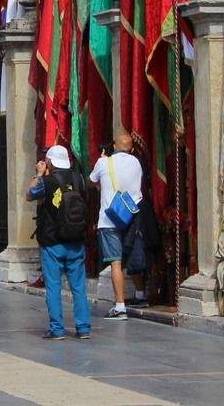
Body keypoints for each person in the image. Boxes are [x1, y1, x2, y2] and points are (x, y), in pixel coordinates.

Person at [27, 144, 92, 340]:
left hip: (52, 242)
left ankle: (57, 329)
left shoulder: (46, 182)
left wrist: (39, 174)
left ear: (49, 162)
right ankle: (83, 328)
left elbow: (29, 194)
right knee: (79, 288)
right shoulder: (79, 179)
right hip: (76, 241)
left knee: (54, 287)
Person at [89, 131, 145, 319]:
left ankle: (120, 306)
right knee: (132, 256)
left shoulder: (104, 163)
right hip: (130, 216)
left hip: (109, 219)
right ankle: (140, 293)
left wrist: (102, 159)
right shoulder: (136, 163)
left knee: (116, 262)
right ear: (131, 148)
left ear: (114, 146)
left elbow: (92, 181)